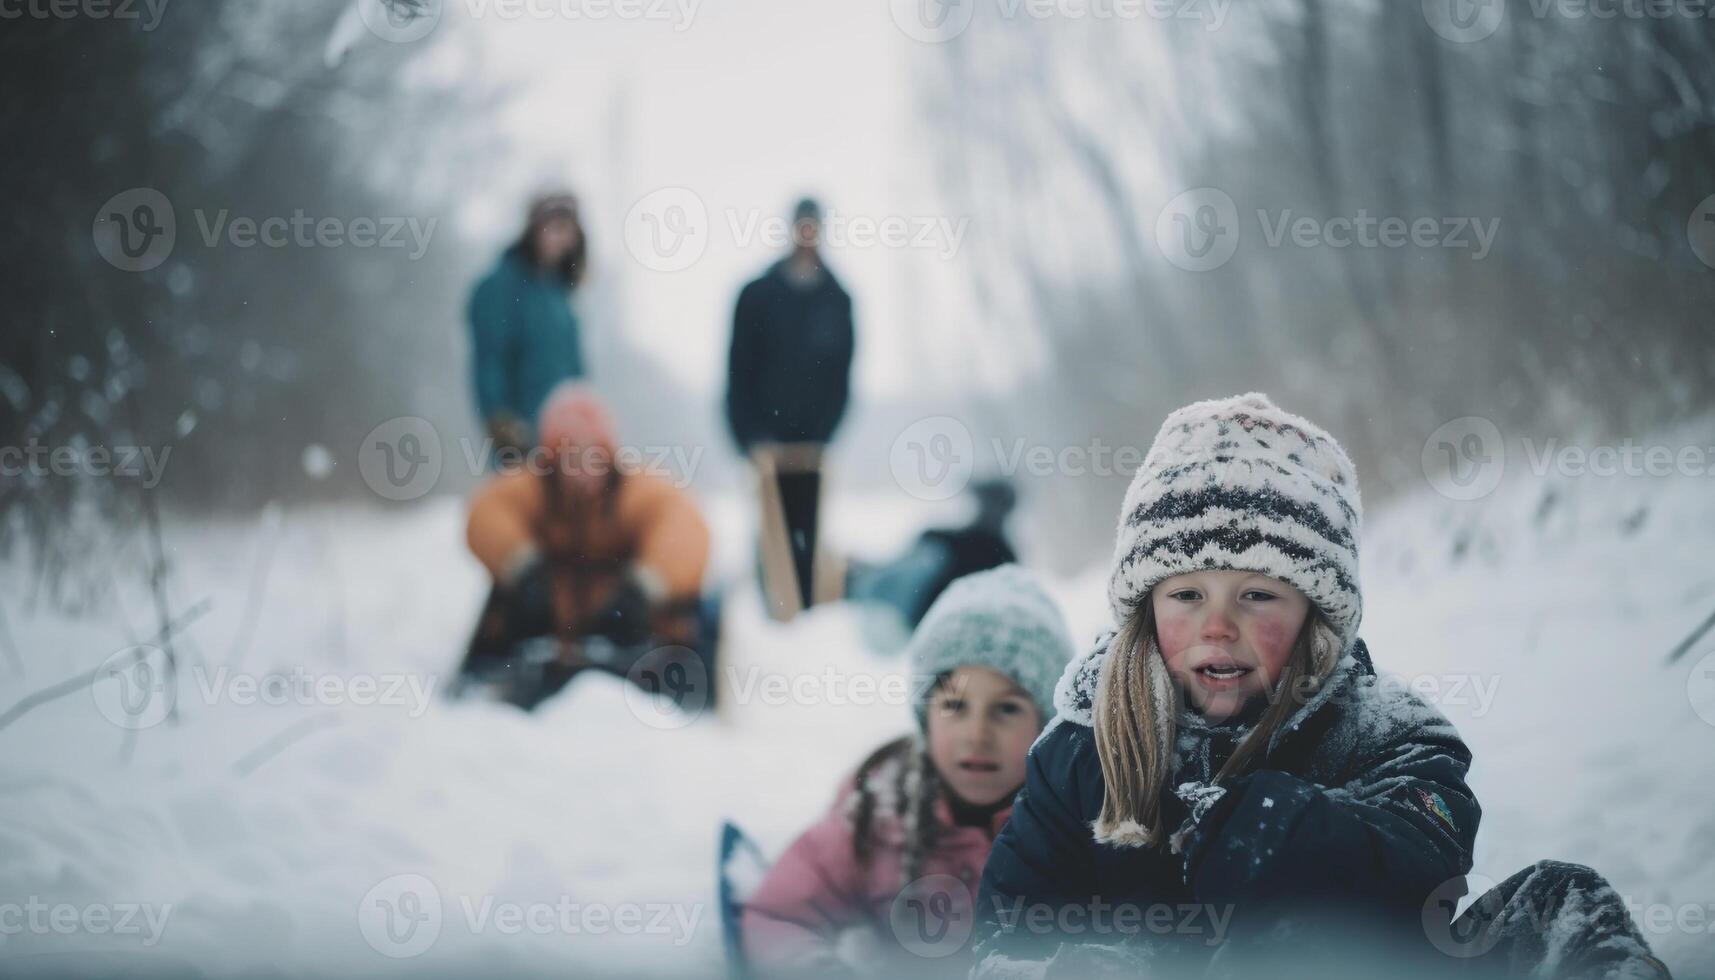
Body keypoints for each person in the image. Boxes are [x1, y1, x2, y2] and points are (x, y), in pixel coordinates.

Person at [973, 393, 1670, 979]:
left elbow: (1430, 863)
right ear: (1143, 611)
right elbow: (1004, 940)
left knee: (1556, 899)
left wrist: (1298, 832)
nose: (1218, 627)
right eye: (1185, 594)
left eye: (1256, 597)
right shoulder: (1080, 748)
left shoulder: (1383, 731)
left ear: (1315, 617)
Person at [740, 565, 1075, 978]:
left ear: (1045, 725)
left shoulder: (1069, 825)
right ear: (925, 715)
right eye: (954, 706)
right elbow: (780, 917)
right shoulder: (879, 813)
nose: (977, 735)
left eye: (1007, 708)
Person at [461, 383, 711, 709]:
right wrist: (525, 571)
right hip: (546, 631)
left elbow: (685, 528)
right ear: (551, 455)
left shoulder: (634, 489)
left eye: (591, 452)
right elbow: (486, 513)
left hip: (629, 635)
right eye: (569, 453)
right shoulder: (533, 488)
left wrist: (643, 588)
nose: (580, 466)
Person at [725, 197, 856, 620]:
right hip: (767, 443)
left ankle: (812, 618)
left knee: (810, 534)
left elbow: (842, 375)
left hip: (813, 446)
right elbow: (738, 370)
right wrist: (747, 435)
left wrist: (826, 432)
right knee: (772, 534)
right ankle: (773, 617)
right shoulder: (758, 296)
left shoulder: (837, 299)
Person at [469, 191, 589, 460]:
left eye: (569, 231)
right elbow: (490, 358)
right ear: (535, 230)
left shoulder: (561, 296)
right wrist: (499, 419)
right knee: (519, 501)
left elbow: (575, 370)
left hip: (566, 440)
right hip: (521, 435)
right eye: (555, 228)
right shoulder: (500, 287)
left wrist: (584, 420)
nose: (563, 239)